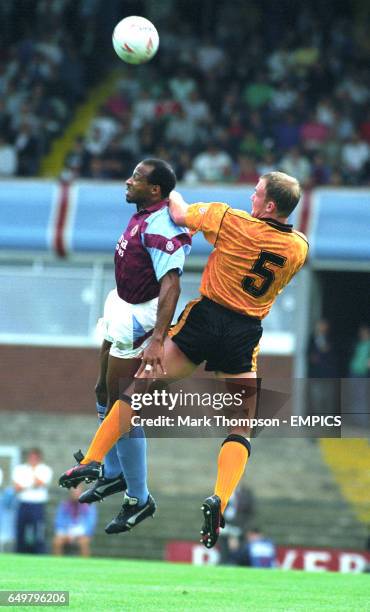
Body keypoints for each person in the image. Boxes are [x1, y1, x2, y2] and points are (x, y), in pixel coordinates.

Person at [59, 171, 308, 548]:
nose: (251, 196)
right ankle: (220, 498)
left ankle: (92, 458)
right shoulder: (300, 248)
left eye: (257, 193)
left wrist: (168, 190)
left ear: (270, 205)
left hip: (205, 319)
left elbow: (179, 212)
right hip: (244, 333)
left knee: (137, 394)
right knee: (241, 428)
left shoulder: (231, 219)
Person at [61, 158, 192, 536]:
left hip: (140, 315)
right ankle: (115, 473)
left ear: (154, 190)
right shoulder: (149, 210)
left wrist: (157, 339)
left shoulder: (162, 226)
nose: (127, 181)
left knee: (122, 404)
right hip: (120, 301)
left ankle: (138, 495)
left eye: (136, 178)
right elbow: (175, 192)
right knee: (102, 391)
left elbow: (172, 286)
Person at [12, 448, 53, 554]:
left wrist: (28, 480)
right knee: (20, 529)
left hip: (38, 505)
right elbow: (17, 488)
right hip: (23, 503)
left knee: (38, 531)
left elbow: (40, 483)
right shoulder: (20, 469)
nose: (32, 459)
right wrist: (31, 484)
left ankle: (38, 553)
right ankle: (19, 552)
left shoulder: (45, 469)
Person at [53, 485, 97, 557]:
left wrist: (78, 533)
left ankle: (85, 565)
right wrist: (66, 533)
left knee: (83, 542)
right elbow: (59, 521)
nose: (76, 494)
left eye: (78, 492)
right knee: (57, 542)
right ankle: (58, 563)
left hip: (81, 533)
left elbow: (90, 523)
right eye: (74, 492)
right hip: (66, 532)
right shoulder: (64, 505)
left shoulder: (89, 506)